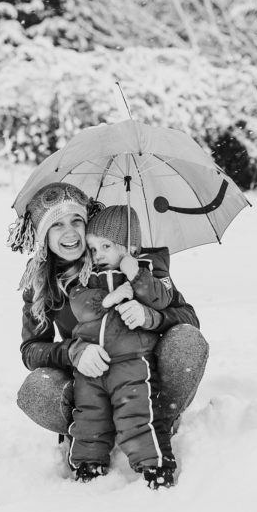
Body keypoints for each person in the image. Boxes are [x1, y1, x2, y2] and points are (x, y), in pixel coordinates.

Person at [8, 182, 208, 445]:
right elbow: (31, 350)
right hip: (90, 383)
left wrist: (151, 317)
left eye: (76, 220)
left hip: (142, 374)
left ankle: (159, 419)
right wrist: (74, 352)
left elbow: (188, 318)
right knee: (36, 388)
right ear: (44, 233)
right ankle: (90, 431)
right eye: (57, 224)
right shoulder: (41, 281)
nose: (70, 232)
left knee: (187, 340)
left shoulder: (125, 256)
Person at [66, 205, 176, 488]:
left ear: (131, 246)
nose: (97, 254)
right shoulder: (86, 278)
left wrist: (136, 276)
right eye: (92, 248)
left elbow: (163, 299)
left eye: (106, 245)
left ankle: (154, 466)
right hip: (92, 364)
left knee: (136, 414)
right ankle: (88, 463)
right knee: (90, 414)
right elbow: (80, 305)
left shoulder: (148, 273)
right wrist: (111, 297)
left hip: (131, 362)